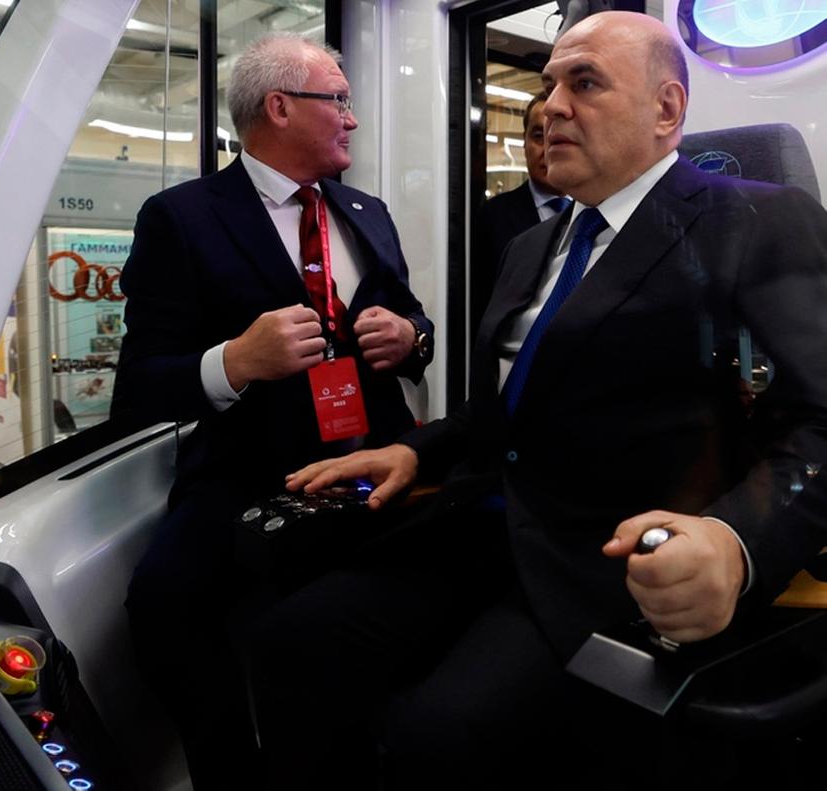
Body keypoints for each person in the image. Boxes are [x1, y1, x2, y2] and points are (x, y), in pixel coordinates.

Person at [251, 11, 827, 790]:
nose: (551, 105)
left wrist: (736, 541)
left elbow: (818, 424)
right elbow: (507, 410)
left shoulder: (754, 221)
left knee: (434, 734)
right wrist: (416, 449)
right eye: (549, 83)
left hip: (604, 560)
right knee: (288, 642)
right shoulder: (532, 246)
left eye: (584, 83)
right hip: (481, 522)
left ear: (666, 110)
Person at [112, 32, 434, 789]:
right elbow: (139, 386)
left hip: (377, 458)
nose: (353, 118)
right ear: (281, 107)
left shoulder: (367, 211)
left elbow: (413, 318)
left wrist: (411, 337)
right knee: (162, 606)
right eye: (339, 101)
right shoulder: (182, 217)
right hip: (249, 470)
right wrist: (235, 362)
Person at [472, 92, 567, 328]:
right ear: (524, 142)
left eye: (558, 135)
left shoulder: (596, 212)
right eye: (538, 136)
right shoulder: (492, 217)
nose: (548, 148)